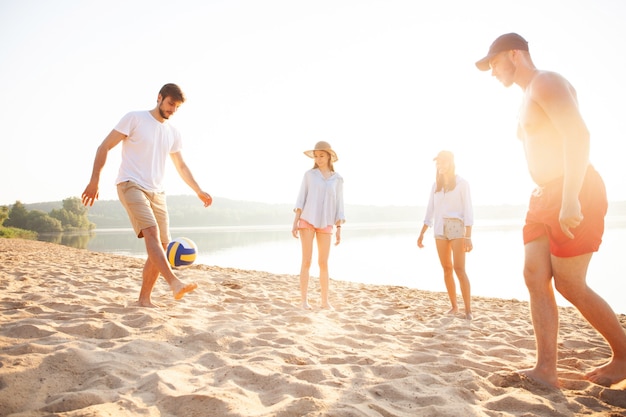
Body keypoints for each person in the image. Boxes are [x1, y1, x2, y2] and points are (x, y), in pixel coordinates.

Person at [476, 33, 626, 388]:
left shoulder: (546, 82)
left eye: (494, 63)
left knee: (571, 284)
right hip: (543, 195)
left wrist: (571, 197)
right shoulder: (526, 96)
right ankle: (545, 369)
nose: (493, 72)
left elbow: (578, 135)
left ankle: (623, 353)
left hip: (573, 189)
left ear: (515, 55)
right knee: (533, 276)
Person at [81, 83, 212, 308]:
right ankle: (174, 282)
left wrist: (198, 190)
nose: (173, 110)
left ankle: (144, 299)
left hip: (157, 192)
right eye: (171, 103)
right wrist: (94, 180)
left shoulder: (172, 132)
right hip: (130, 184)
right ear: (159, 97)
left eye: (177, 107)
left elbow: (181, 165)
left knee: (162, 243)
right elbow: (104, 147)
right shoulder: (135, 118)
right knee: (151, 232)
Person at [417, 150, 474, 320]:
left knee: (459, 269)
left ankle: (468, 310)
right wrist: (422, 233)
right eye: (438, 163)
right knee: (447, 269)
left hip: (457, 227)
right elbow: (430, 211)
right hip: (440, 229)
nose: (440, 165)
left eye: (443, 162)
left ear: (451, 162)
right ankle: (454, 306)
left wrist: (468, 236)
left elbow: (468, 210)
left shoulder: (462, 183)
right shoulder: (436, 186)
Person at [292, 141, 345, 310]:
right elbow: (301, 198)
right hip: (306, 219)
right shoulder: (309, 175)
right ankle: (304, 302)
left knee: (323, 262)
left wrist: (338, 229)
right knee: (306, 261)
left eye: (322, 155)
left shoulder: (338, 179)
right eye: (316, 156)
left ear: (329, 156)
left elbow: (339, 205)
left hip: (327, 222)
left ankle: (324, 302)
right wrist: (295, 221)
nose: (318, 159)